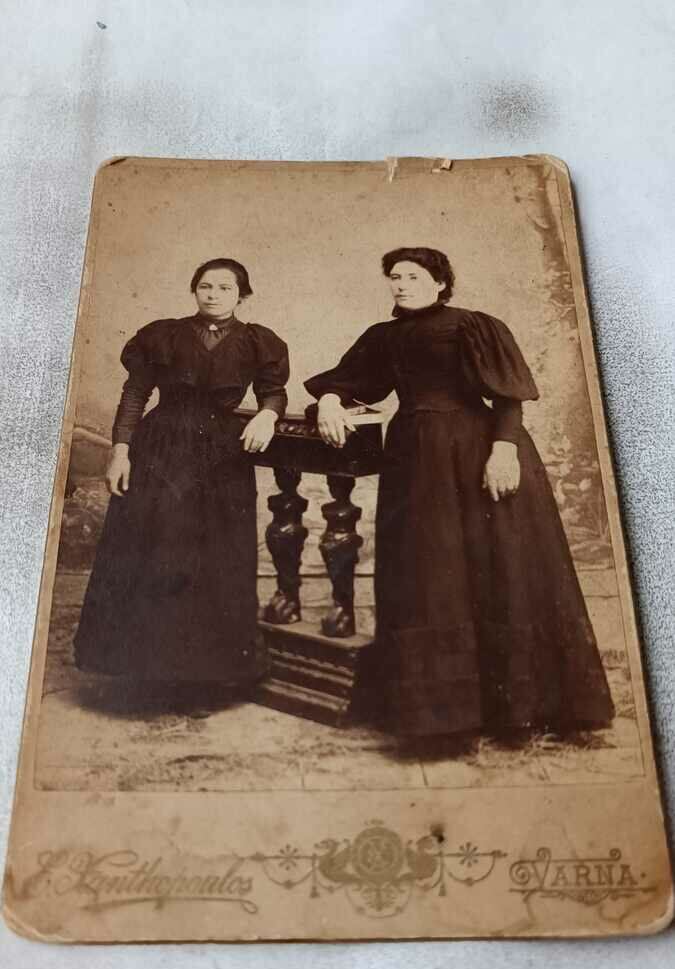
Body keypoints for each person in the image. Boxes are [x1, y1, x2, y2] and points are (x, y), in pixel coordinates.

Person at [304, 246, 614, 739]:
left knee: (497, 566)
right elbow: (352, 382)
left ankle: (515, 710)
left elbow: (508, 399)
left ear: (441, 283)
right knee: (428, 572)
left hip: (478, 452)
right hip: (414, 461)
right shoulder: (384, 337)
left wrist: (504, 451)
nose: (400, 284)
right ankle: (441, 715)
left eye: (412, 276)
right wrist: (328, 400)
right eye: (394, 276)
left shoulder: (473, 325)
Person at [74, 257, 288, 711]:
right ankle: (145, 676)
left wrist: (268, 413)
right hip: (161, 451)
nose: (213, 294)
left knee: (214, 563)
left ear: (241, 296)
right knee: (155, 557)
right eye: (205, 286)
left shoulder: (258, 341)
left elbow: (274, 390)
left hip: (221, 460)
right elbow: (136, 393)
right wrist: (120, 450)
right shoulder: (163, 335)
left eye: (224, 288)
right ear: (194, 291)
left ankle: (203, 681)